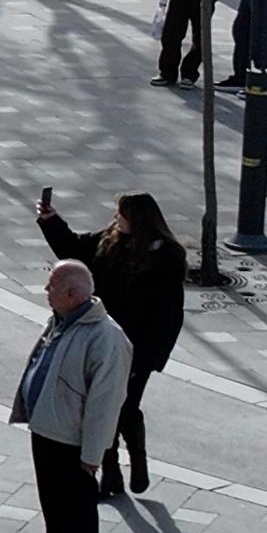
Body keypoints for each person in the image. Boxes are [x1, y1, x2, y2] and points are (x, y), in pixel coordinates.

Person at [31, 189, 185, 495]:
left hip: (138, 350)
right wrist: (50, 220)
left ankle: (137, 461)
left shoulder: (166, 256)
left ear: (137, 220)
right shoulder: (109, 241)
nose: (115, 218)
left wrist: (153, 358)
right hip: (102, 340)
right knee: (101, 407)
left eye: (121, 214)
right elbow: (73, 247)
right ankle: (111, 472)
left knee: (126, 407)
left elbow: (169, 315)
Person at [12, 262, 126, 533]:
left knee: (77, 513)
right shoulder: (61, 320)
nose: (46, 293)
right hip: (46, 431)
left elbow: (105, 405)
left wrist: (92, 455)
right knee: (52, 504)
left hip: (73, 442)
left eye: (51, 288)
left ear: (73, 294)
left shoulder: (105, 338)